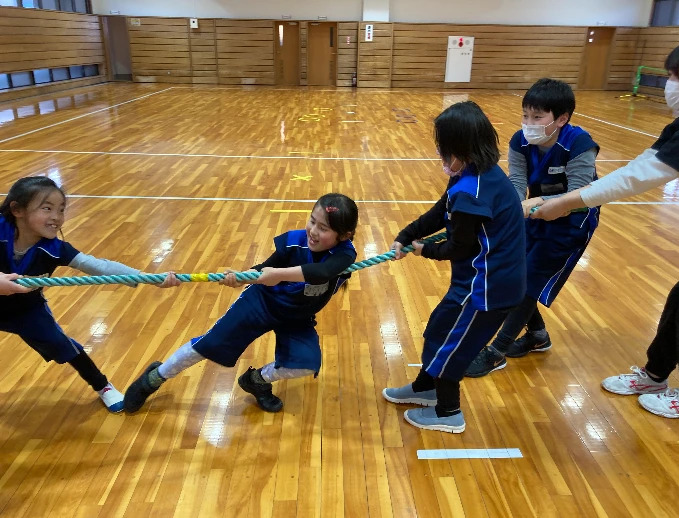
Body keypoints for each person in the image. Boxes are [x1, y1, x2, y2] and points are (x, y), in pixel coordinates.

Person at [530, 42, 679, 420]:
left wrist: (568, 201)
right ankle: (654, 375)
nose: (670, 84)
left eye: (677, 77)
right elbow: (645, 163)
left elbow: (640, 178)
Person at [124, 193, 358, 414]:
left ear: (344, 236)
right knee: (210, 344)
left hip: (298, 316)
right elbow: (265, 266)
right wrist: (242, 277)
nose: (313, 231)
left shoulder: (346, 255)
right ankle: (153, 378)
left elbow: (322, 272)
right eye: (312, 221)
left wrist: (279, 274)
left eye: (323, 228)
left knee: (306, 363)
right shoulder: (295, 241)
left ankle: (257, 381)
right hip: (262, 302)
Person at [382, 101, 526, 433]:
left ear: (458, 148)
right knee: (438, 329)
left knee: (452, 344)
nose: (439, 152)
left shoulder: (472, 192)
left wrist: (423, 250)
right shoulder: (471, 173)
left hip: (487, 287)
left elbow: (460, 246)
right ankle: (425, 388)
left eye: (442, 146)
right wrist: (407, 233)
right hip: (477, 279)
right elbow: (439, 211)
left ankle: (449, 412)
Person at [0, 177, 179, 413]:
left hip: (27, 310)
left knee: (63, 346)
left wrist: (149, 278)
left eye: (61, 210)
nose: (56, 217)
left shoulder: (56, 249)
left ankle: (102, 385)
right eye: (47, 208)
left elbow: (99, 267)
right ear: (17, 209)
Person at [466, 78, 600, 377]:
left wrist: (537, 201)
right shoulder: (519, 141)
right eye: (525, 115)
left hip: (573, 221)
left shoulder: (579, 144)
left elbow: (578, 194)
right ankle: (538, 335)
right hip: (534, 215)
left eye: (537, 117)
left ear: (562, 118)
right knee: (515, 274)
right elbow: (516, 182)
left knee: (529, 282)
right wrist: (511, 210)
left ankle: (497, 350)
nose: (529, 123)